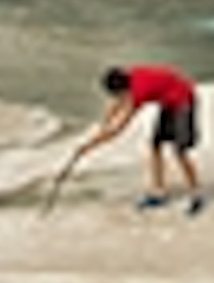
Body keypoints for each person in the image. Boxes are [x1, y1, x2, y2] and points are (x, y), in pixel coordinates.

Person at [73, 62, 204, 211]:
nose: (118, 97)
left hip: (183, 100)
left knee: (179, 151)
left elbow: (118, 129)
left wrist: (89, 145)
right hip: (168, 101)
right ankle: (159, 192)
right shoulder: (129, 77)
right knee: (155, 146)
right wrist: (104, 123)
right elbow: (116, 104)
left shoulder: (138, 92)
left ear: (123, 88)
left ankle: (196, 194)